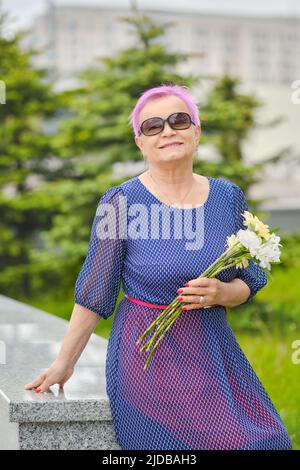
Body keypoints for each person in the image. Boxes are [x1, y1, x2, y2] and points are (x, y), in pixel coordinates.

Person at [24, 84, 293, 451]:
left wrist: (225, 292)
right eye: (152, 126)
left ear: (196, 132)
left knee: (268, 440)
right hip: (148, 354)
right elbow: (94, 294)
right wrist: (63, 364)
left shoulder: (227, 197)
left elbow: (252, 274)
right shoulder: (119, 202)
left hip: (212, 348)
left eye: (179, 121)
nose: (167, 131)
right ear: (140, 142)